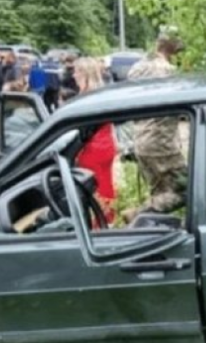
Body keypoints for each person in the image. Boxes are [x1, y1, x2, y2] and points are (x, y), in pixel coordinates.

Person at [126, 36, 187, 218]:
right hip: (162, 143)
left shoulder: (138, 68)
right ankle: (138, 214)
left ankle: (154, 227)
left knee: (159, 192)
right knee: (188, 188)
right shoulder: (169, 72)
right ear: (174, 52)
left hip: (141, 140)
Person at [73, 58, 117, 224]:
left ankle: (98, 223)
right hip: (106, 144)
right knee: (105, 184)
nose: (74, 75)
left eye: (77, 71)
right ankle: (108, 219)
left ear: (84, 74)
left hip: (92, 148)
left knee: (91, 187)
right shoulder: (100, 94)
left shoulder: (85, 97)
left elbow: (81, 128)